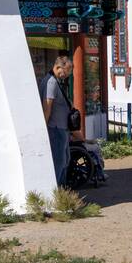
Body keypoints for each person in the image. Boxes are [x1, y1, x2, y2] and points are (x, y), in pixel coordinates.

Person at [40, 56, 74, 187]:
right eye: (66, 71)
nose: (66, 74)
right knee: (59, 161)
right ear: (58, 67)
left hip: (60, 127)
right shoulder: (51, 82)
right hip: (56, 128)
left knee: (64, 160)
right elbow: (47, 107)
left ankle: (61, 190)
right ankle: (57, 191)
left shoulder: (53, 80)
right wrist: (44, 129)